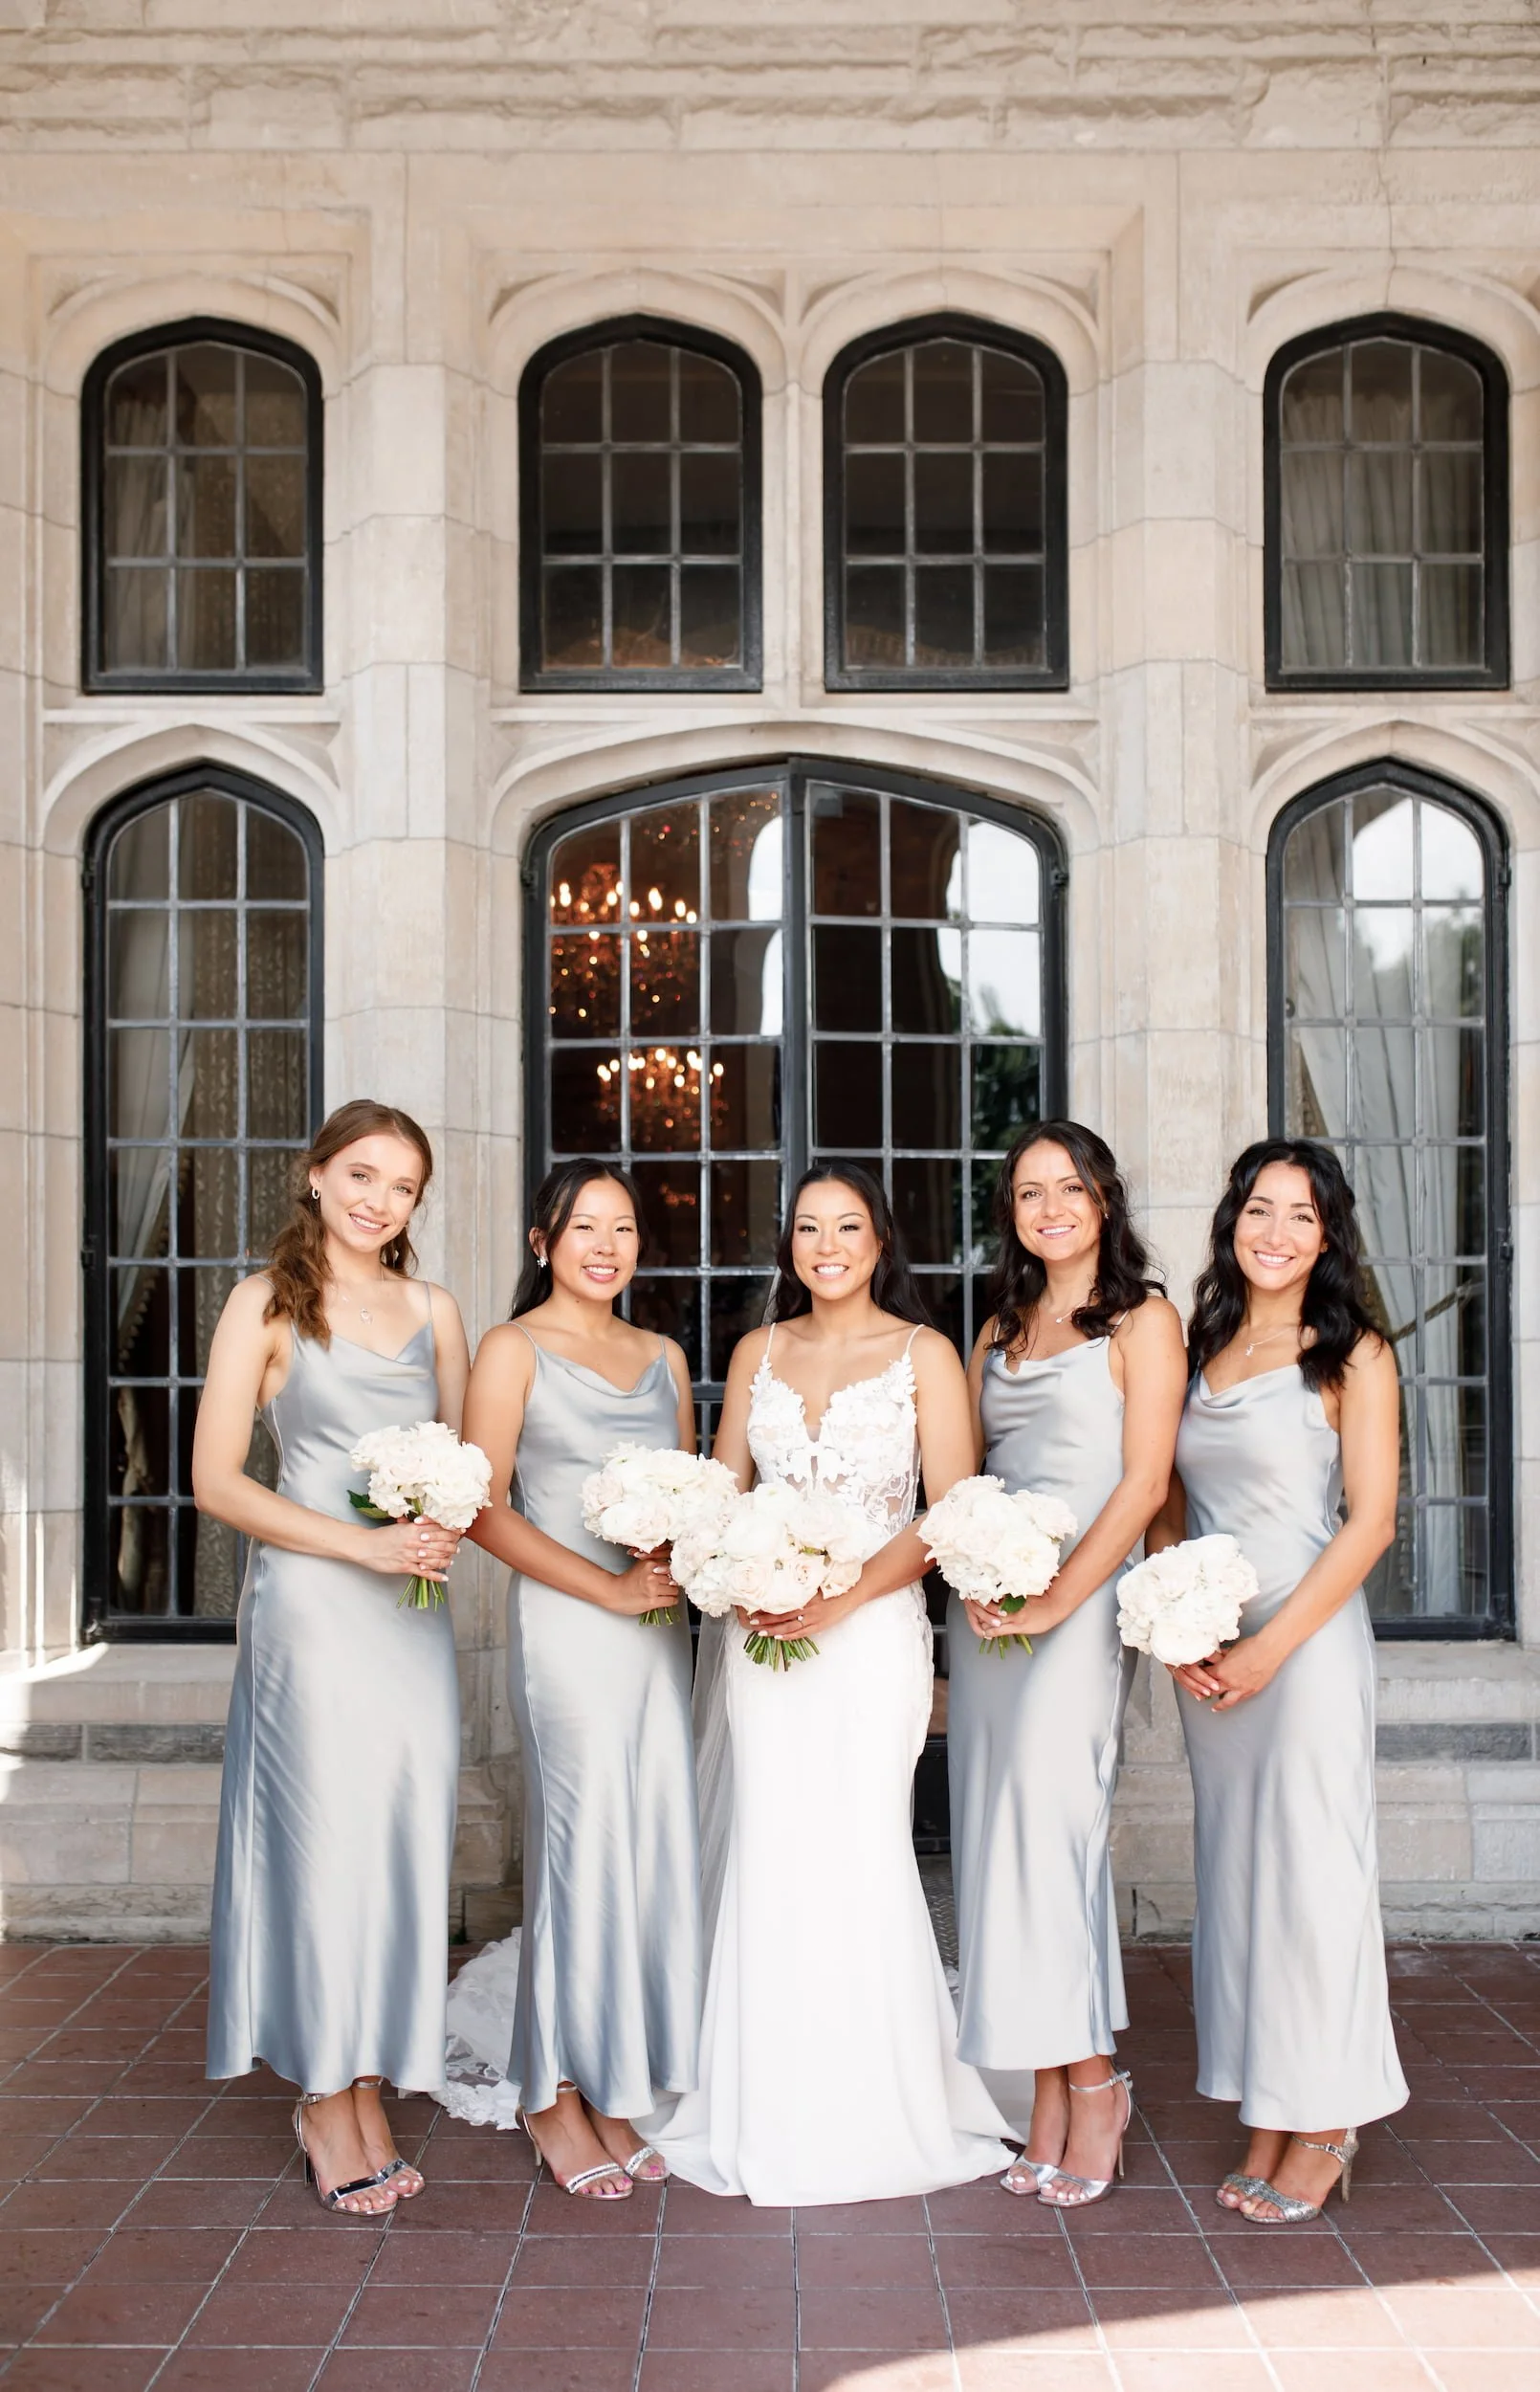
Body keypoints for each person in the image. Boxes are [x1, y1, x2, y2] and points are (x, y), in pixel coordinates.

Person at [648, 1163, 1012, 2205]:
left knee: (855, 1848)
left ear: (878, 1240)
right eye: (807, 1227)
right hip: (765, 1641)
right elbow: (724, 1492)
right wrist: (736, 1573)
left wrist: (837, 1596)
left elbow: (946, 1512)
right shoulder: (757, 1349)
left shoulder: (923, 1354)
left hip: (867, 1643)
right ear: (789, 1244)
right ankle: (759, 2094)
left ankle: (875, 2099)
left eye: (846, 1225)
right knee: (771, 1846)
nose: (826, 1244)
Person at [199, 1098, 471, 2215]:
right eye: (360, 1174)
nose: (377, 1200)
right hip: (312, 1609)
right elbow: (218, 1481)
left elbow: (460, 1467)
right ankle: (324, 2093)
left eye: (401, 1185)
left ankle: (369, 2073)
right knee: (319, 1841)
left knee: (399, 1833)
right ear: (314, 1176)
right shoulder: (265, 1303)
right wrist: (358, 1540)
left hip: (409, 1616)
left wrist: (432, 1521)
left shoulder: (436, 1309)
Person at [1150, 1137, 1407, 2223]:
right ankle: (1270, 2099)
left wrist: (1265, 1648)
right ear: (1231, 1222)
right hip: (1212, 1660)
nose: (1275, 1232)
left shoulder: (1351, 1354)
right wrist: (1178, 1624)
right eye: (1259, 1209)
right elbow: (1163, 1493)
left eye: (1300, 1215)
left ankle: (1330, 2115)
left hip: (1300, 1656)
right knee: (1243, 1887)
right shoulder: (1202, 1342)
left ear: (1327, 1233)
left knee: (1312, 1881)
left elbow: (1370, 1523)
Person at [951, 1121, 1187, 2208]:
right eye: (1028, 1192)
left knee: (1053, 1843)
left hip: (1076, 1615)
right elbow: (966, 1479)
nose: (1048, 1208)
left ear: (1104, 1199)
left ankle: (1094, 2084)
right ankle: (1045, 2095)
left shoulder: (1142, 1320)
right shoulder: (995, 1326)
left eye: (1068, 1188)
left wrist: (1051, 1597)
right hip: (991, 1614)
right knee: (1001, 1849)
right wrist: (980, 1578)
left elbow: (1142, 1485)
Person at [455, 1162, 700, 2200]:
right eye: (583, 1226)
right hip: (570, 1627)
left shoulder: (664, 1356)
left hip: (655, 1633)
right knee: (577, 1847)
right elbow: (481, 1504)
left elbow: (690, 1498)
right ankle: (549, 2091)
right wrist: (601, 1594)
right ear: (540, 1240)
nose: (606, 1245)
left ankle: (613, 2082)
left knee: (644, 1846)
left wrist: (684, 1566)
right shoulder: (511, 1349)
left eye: (624, 1228)